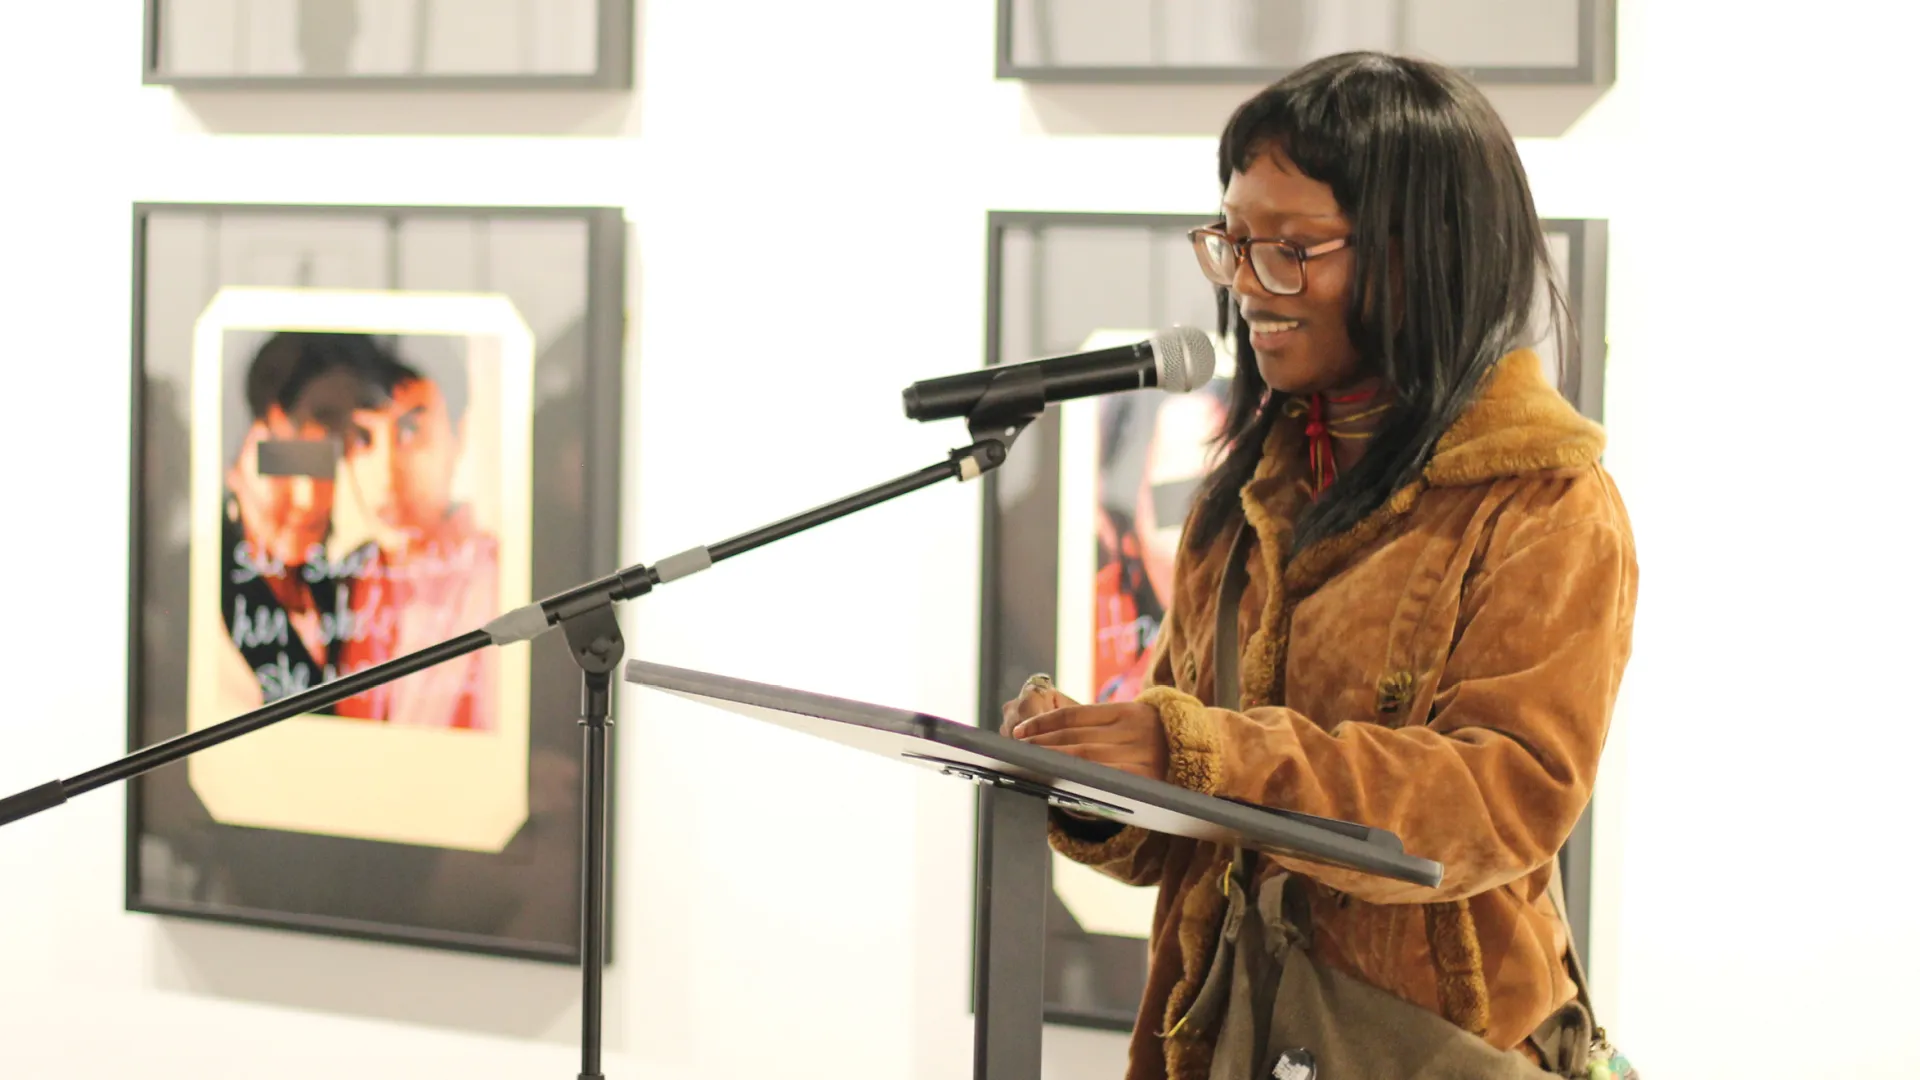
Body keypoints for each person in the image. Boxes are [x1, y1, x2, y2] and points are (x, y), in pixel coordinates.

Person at [1002, 52, 1638, 1080]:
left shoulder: (1545, 502)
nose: (1249, 285)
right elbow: (1193, 819)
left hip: (1420, 1048)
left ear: (1423, 253)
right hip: (1217, 1039)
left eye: (1293, 249)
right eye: (1235, 242)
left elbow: (1499, 799)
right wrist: (1091, 778)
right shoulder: (1250, 483)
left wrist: (1204, 753)